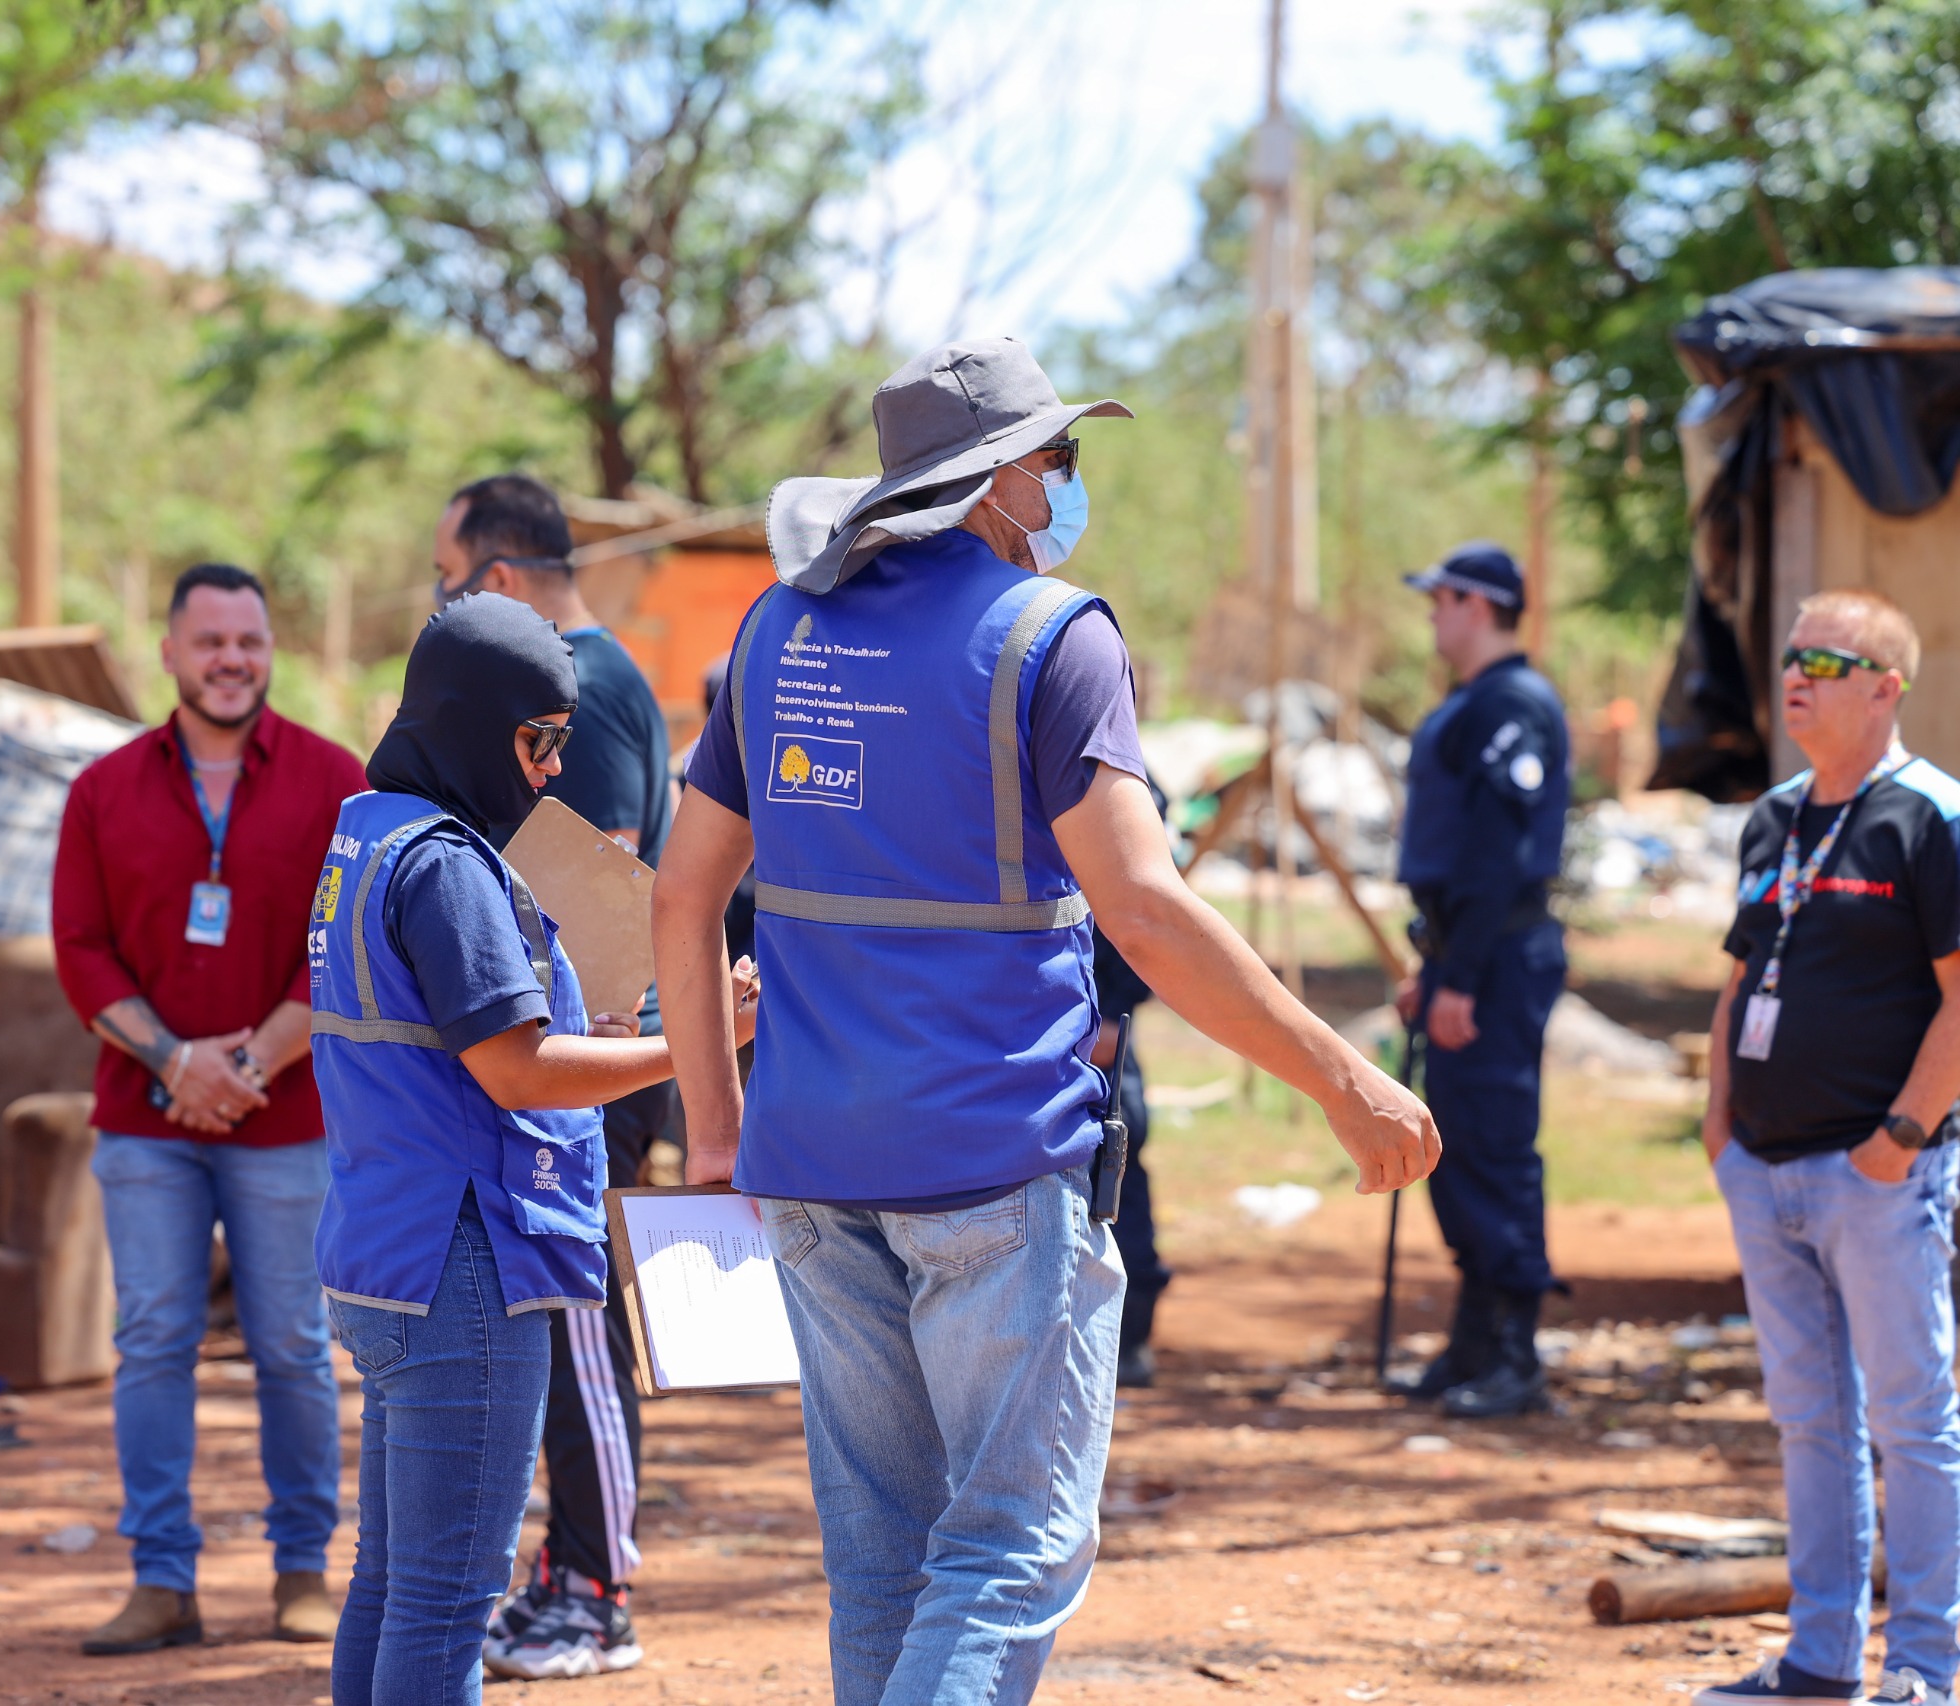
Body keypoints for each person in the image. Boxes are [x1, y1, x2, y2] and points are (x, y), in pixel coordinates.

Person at [651, 335, 1438, 1705]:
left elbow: (683, 893)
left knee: (886, 1555)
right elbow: (1144, 905)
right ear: (1004, 479)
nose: (1071, 487)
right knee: (1011, 1542)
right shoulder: (1051, 638)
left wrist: (716, 1129)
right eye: (1061, 461)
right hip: (991, 1161)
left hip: (812, 1167)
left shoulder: (777, 628)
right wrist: (1339, 1074)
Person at [306, 594, 755, 1706]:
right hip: (466, 1259)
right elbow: (516, 1071)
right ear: (474, 722)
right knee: (451, 1595)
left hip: (387, 1246)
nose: (552, 770)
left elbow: (468, 1041)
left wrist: (594, 1032)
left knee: (396, 1576)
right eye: (539, 739)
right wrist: (695, 1038)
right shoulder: (449, 864)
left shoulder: (367, 831)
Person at [52, 563, 363, 1655]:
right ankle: (161, 1579)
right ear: (170, 655)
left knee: (291, 1343)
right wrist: (179, 1060)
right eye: (210, 640)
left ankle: (302, 1570)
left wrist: (256, 1062)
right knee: (150, 1340)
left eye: (249, 639)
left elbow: (350, 946)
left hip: (290, 1121)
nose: (231, 658)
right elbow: (79, 952)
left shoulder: (337, 780)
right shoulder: (102, 790)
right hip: (145, 1118)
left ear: (270, 650)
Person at [1693, 590, 1960, 1706]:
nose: (1793, 673)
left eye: (1824, 658)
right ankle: (1816, 1659)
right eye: (1788, 655)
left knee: (1911, 1418)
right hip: (1763, 1166)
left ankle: (1924, 1665)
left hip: (1874, 1173)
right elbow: (1739, 971)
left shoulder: (1927, 815)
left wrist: (1900, 1137)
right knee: (1809, 1420)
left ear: (1886, 686)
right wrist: (1719, 1122)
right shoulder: (1776, 815)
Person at [430, 474, 669, 1679]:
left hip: (589, 1066)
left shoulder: (588, 686)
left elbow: (603, 894)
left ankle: (596, 1583)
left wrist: (587, 1068)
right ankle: (563, 1570)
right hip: (565, 1062)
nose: (441, 601)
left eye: (448, 577)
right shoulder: (580, 676)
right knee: (552, 1318)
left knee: (579, 1331)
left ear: (501, 580)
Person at [1389, 543, 1572, 1420]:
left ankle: (1514, 1350)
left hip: (1496, 958)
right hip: (1466, 954)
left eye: (1442, 598)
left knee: (1492, 1145)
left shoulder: (1513, 704)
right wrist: (1435, 966)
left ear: (1479, 604)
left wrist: (1459, 974)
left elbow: (1499, 853)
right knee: (1456, 1145)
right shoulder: (1476, 701)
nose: (1433, 614)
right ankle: (1473, 1338)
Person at [1092, 770, 1173, 1390]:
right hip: (1018, 1023)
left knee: (1118, 1157)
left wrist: (1115, 1010)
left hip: (1098, 1024)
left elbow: (1142, 908)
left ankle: (1132, 1333)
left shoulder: (1130, 783)